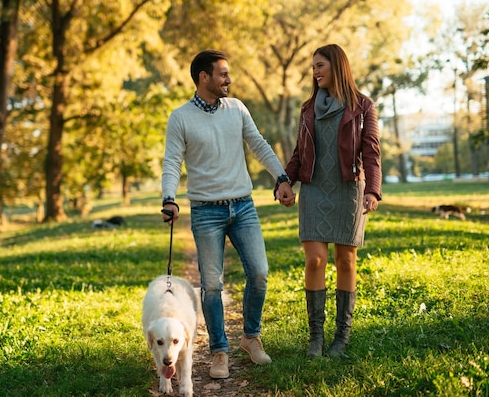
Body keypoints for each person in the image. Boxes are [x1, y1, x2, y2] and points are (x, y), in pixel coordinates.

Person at [161, 49, 295, 379]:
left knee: (260, 273)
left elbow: (259, 144)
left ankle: (250, 337)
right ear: (203, 77)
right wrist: (169, 198)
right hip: (206, 210)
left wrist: (281, 177)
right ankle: (219, 351)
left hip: (243, 206)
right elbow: (171, 162)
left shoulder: (236, 109)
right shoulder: (180, 117)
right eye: (222, 74)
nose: (228, 79)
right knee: (211, 285)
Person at [275, 44, 382, 358]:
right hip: (313, 190)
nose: (315, 72)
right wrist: (284, 181)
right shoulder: (308, 108)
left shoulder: (363, 106)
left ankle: (341, 339)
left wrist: (372, 190)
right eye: (313, 67)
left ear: (338, 66)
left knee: (346, 261)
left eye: (320, 65)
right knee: (315, 260)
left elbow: (372, 153)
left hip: (348, 190)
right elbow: (298, 153)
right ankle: (316, 339)